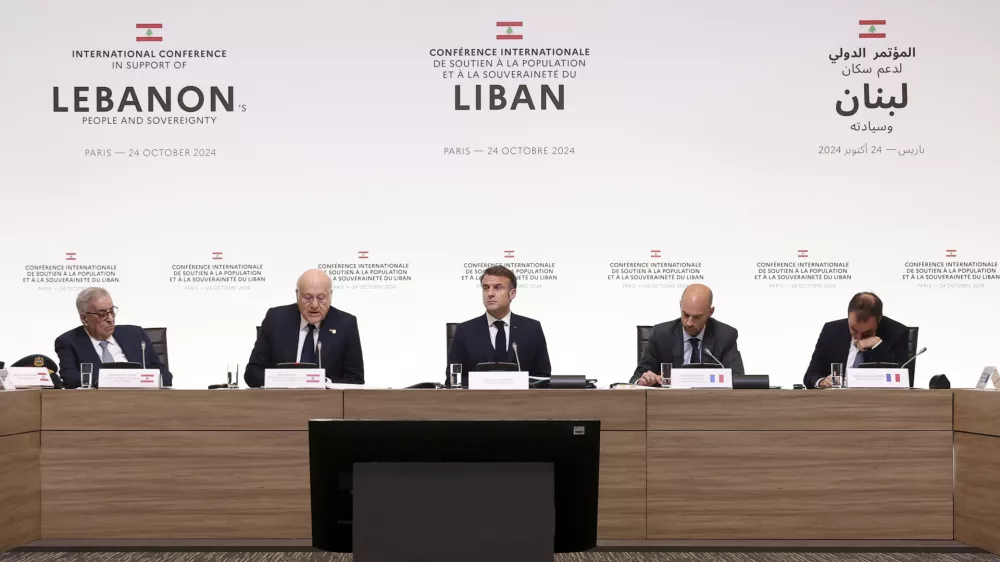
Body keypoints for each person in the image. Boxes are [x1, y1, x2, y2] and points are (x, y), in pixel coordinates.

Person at [245, 269, 364, 387]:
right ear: (297, 294)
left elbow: (356, 380)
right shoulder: (275, 319)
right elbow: (252, 373)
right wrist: (283, 379)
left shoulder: (346, 324)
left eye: (321, 298)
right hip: (282, 402)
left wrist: (324, 382)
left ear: (330, 295)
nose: (314, 305)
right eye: (308, 298)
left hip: (327, 403)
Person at [446, 266, 551, 386]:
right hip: (477, 403)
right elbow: (452, 380)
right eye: (486, 288)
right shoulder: (465, 331)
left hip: (521, 402)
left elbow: (544, 377)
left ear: (512, 294)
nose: (490, 294)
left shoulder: (532, 329)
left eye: (497, 288)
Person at [54, 287, 172, 389]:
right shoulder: (69, 342)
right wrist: (111, 380)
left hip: (141, 399)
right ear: (84, 318)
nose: (110, 318)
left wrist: (140, 380)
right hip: (98, 404)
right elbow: (70, 378)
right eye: (102, 314)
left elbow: (163, 374)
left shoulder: (135, 334)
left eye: (112, 311)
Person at [631, 283, 744, 386]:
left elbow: (738, 378)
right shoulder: (661, 335)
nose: (689, 323)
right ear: (680, 305)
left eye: (697, 317)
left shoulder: (725, 335)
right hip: (669, 403)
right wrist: (643, 381)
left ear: (710, 312)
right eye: (685, 315)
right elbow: (637, 377)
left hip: (711, 402)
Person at [804, 291, 910, 389]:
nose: (859, 337)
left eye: (867, 332)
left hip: (878, 401)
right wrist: (822, 381)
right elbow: (811, 375)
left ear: (879, 320)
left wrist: (878, 346)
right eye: (854, 329)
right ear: (848, 316)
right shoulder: (831, 330)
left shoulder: (897, 332)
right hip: (836, 401)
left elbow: (902, 379)